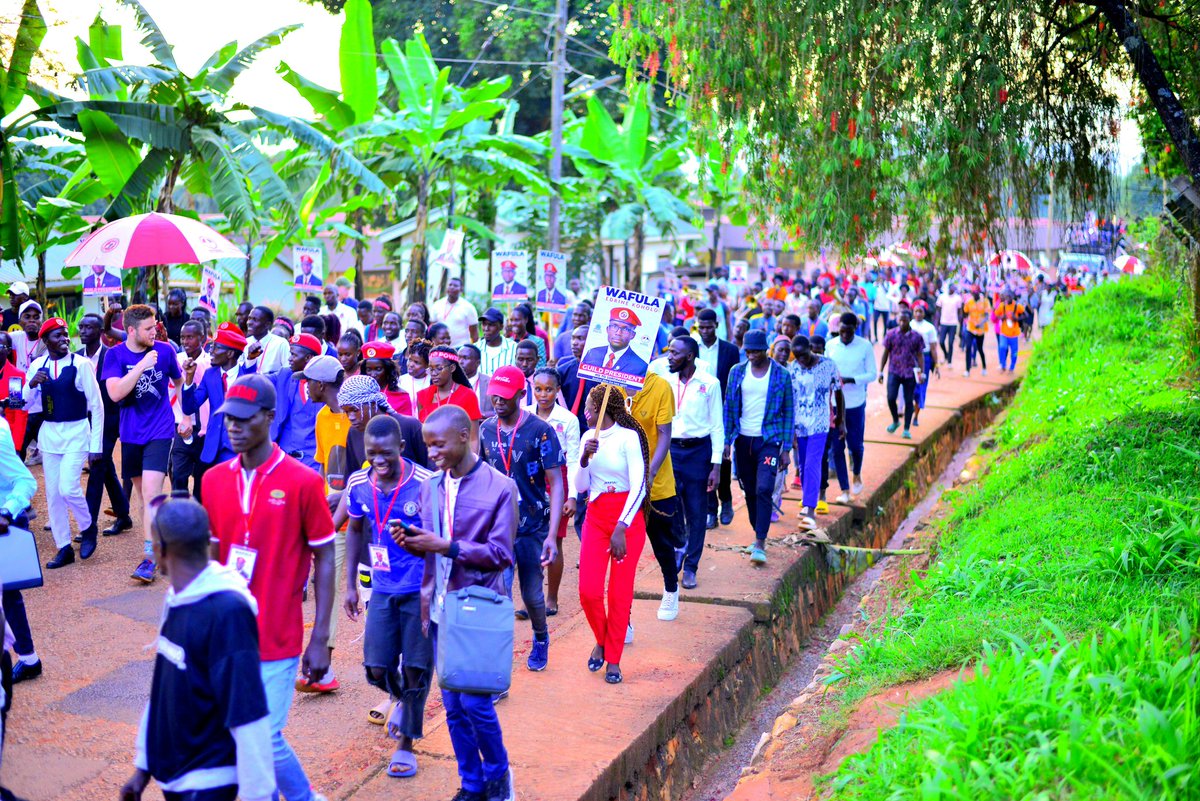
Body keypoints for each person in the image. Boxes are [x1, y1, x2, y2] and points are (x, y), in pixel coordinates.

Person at [203, 374, 336, 801]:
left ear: (270, 417)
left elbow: (325, 556)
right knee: (236, 734)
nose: (234, 427)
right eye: (229, 420)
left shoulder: (302, 481)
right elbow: (212, 558)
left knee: (264, 737)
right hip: (226, 637)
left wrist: (321, 639)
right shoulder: (213, 480)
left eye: (245, 419)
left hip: (277, 636)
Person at [119, 498, 275, 801]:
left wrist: (261, 794)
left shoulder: (227, 613)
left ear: (162, 550)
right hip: (175, 773)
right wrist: (142, 770)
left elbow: (247, 711)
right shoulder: (178, 596)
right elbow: (164, 688)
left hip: (208, 781)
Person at [399, 405, 516, 801]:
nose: (431, 453)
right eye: (427, 445)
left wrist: (445, 545)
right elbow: (432, 550)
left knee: (475, 702)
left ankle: (499, 776)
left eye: (439, 445)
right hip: (438, 610)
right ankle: (471, 784)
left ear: (465, 436)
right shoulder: (429, 485)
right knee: (452, 706)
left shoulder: (500, 488)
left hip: (478, 609)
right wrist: (415, 543)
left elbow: (501, 553)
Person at [343, 415, 434, 780]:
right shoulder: (359, 483)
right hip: (381, 587)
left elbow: (443, 535)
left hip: (420, 589)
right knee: (376, 667)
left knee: (416, 667)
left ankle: (406, 745)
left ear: (401, 447)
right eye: (371, 454)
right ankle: (399, 698)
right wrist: (349, 583)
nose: (378, 461)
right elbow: (354, 530)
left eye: (385, 453)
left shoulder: (427, 484)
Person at [479, 365, 562, 670]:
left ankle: (541, 637)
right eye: (494, 396)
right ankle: (497, 658)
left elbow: (556, 482)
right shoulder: (485, 429)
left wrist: (552, 536)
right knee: (497, 592)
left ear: (519, 395)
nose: (498, 402)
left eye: (504, 396)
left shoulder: (541, 431)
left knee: (530, 595)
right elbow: (481, 476)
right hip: (497, 529)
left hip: (531, 526)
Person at [102, 304, 183, 584]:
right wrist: (140, 365)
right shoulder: (114, 355)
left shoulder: (165, 350)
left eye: (155, 326)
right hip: (131, 433)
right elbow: (115, 393)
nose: (155, 331)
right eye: (149, 328)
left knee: (152, 494)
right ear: (131, 330)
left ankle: (150, 558)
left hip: (160, 430)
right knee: (142, 496)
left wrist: (183, 414)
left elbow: (179, 380)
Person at [575, 384, 649, 684]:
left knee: (619, 594)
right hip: (595, 517)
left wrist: (622, 526)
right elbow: (581, 486)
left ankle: (614, 660)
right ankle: (602, 639)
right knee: (588, 592)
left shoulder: (628, 438)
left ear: (601, 410)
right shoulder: (587, 437)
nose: (585, 412)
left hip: (627, 522)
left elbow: (640, 485)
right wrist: (583, 459)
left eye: (589, 407)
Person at [24, 317, 103, 567]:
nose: (65, 339)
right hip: (50, 436)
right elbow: (24, 403)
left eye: (66, 334)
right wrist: (31, 384)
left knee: (68, 488)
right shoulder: (38, 365)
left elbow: (97, 406)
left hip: (77, 434)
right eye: (58, 336)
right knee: (53, 495)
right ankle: (64, 546)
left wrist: (96, 446)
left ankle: (88, 527)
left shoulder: (81, 365)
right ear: (46, 341)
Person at [723, 329, 794, 565]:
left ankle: (760, 541)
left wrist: (785, 449)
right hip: (743, 439)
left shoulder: (781, 375)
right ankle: (757, 531)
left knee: (764, 487)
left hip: (769, 441)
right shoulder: (737, 372)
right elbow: (729, 408)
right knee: (750, 490)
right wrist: (726, 441)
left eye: (756, 351)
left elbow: (788, 413)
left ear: (766, 350)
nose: (751, 355)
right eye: (748, 351)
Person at [664, 336, 723, 590]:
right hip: (671, 450)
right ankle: (679, 545)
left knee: (697, 512)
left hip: (699, 451)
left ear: (689, 357)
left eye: (675, 353)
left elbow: (717, 426)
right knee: (670, 505)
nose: (669, 357)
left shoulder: (710, 383)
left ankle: (691, 567)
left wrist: (716, 466)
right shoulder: (665, 380)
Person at [523, 367, 579, 616]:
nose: (543, 395)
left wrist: (573, 495)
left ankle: (551, 597)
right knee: (529, 542)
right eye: (538, 389)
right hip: (530, 481)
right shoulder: (524, 414)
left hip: (558, 480)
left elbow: (575, 459)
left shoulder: (568, 420)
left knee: (553, 539)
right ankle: (530, 598)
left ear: (558, 391)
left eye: (548, 389)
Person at [75, 314, 132, 538]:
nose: (83, 331)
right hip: (85, 421)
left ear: (100, 331)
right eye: (81, 327)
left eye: (88, 327)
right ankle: (123, 514)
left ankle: (88, 525)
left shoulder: (112, 355)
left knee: (97, 466)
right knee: (105, 466)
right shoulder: (76, 358)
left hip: (109, 420)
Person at [0, 414, 41, 686]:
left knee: (9, 596)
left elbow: (27, 482)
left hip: (5, 522)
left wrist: (7, 510)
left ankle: (27, 658)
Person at [788, 335, 844, 530]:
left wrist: (840, 420)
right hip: (800, 424)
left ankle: (810, 511)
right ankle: (807, 501)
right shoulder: (793, 368)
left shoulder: (828, 365)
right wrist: (791, 430)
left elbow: (838, 392)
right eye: (797, 356)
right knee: (803, 465)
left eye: (803, 355)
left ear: (810, 349)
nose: (801, 360)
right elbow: (790, 400)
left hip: (820, 423)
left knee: (813, 463)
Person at [182, 324, 251, 473]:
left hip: (239, 448)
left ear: (230, 354)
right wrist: (189, 377)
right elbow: (189, 407)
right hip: (213, 448)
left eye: (216, 348)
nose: (211, 351)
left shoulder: (248, 377)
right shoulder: (210, 374)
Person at [695, 308, 740, 528]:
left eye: (708, 327)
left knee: (723, 458)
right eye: (700, 327)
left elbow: (734, 386)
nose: (704, 331)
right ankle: (711, 511)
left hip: (723, 410)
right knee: (705, 462)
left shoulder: (730, 350)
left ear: (716, 325)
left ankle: (727, 500)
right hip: (700, 410)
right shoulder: (692, 347)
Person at [826, 313, 876, 502]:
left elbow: (872, 374)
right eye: (842, 331)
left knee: (855, 445)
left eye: (849, 331)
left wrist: (851, 379)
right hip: (835, 404)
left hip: (855, 403)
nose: (845, 334)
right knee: (837, 448)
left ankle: (856, 472)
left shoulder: (865, 346)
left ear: (855, 328)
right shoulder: (831, 345)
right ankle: (845, 490)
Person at [338, 375, 431, 474]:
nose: (350, 417)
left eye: (355, 410)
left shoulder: (410, 426)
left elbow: (431, 470)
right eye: (346, 412)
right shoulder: (353, 432)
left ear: (373, 404)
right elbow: (352, 476)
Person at [268, 333, 324, 471]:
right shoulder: (285, 375)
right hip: (284, 457)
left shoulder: (326, 383)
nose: (289, 359)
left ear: (308, 358)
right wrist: (250, 362)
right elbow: (256, 381)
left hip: (314, 461)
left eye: (294, 355)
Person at [169, 321, 210, 500]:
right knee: (178, 474)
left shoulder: (211, 362)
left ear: (203, 338)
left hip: (205, 431)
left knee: (202, 479)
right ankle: (180, 515)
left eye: (190, 337)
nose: (185, 341)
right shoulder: (176, 360)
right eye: (183, 337)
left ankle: (199, 518)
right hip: (182, 427)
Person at [878, 307, 925, 439]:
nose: (902, 323)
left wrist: (922, 372)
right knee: (891, 397)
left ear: (910, 320)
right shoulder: (891, 334)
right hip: (894, 371)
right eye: (900, 320)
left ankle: (906, 429)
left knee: (908, 400)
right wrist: (881, 371)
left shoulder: (917, 337)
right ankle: (895, 420)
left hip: (910, 372)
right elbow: (885, 353)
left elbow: (920, 355)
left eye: (905, 320)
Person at [416, 345, 482, 424]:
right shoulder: (423, 395)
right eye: (431, 369)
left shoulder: (468, 395)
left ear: (452, 368)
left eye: (439, 368)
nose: (433, 373)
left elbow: (473, 435)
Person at [581, 307, 649, 377]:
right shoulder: (592, 353)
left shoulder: (640, 366)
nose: (618, 333)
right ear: (607, 329)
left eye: (625, 329)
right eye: (614, 326)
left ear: (632, 335)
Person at [360, 340, 413, 416]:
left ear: (388, 369)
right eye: (369, 369)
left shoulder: (401, 397)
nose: (373, 374)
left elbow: (405, 425)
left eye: (378, 369)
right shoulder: (359, 394)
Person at [909, 302, 940, 426]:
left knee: (920, 388)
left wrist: (936, 365)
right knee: (909, 386)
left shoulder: (929, 328)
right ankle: (908, 409)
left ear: (924, 313)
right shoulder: (909, 324)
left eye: (920, 311)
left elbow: (933, 348)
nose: (918, 314)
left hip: (924, 360)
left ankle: (916, 415)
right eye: (916, 311)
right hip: (910, 359)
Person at [430, 277, 479, 347]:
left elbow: (474, 332)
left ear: (461, 289)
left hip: (461, 347)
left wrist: (475, 348)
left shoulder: (468, 307)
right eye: (450, 285)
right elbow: (432, 328)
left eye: (455, 286)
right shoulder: (437, 305)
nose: (452, 287)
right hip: (440, 347)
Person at [240, 306, 290, 376]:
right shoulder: (243, 343)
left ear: (267, 324)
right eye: (249, 318)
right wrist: (250, 359)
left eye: (255, 320)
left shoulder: (281, 343)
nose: (249, 322)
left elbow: (288, 372)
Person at [475, 309, 517, 376]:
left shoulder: (514, 348)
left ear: (501, 327)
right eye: (484, 324)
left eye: (491, 325)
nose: (486, 328)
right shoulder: (475, 349)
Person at [458, 344, 494, 418]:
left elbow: (498, 411)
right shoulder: (450, 382)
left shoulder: (490, 383)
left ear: (478, 363)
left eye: (465, 358)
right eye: (458, 358)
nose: (460, 362)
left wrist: (481, 415)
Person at [962, 286, 991, 377]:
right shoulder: (969, 301)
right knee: (968, 347)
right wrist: (966, 320)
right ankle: (967, 370)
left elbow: (987, 316)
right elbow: (965, 311)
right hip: (970, 328)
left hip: (980, 329)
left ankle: (984, 367)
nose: (974, 294)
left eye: (976, 292)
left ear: (979, 292)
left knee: (979, 348)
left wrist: (981, 323)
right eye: (973, 292)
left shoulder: (985, 301)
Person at [994, 290, 1026, 373]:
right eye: (1006, 297)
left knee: (1014, 352)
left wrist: (1017, 318)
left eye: (1009, 297)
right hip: (1004, 332)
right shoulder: (1002, 306)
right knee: (1002, 347)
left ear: (1012, 297)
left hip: (1014, 334)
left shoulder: (1017, 306)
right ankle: (1003, 365)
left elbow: (1025, 314)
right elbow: (996, 314)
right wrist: (1002, 317)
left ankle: (1012, 367)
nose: (1007, 298)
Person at [398, 340, 432, 412]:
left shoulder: (432, 381)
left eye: (417, 362)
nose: (411, 365)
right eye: (410, 360)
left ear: (427, 365)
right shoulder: (401, 380)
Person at [935, 283, 963, 364]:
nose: (953, 289)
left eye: (954, 288)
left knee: (951, 342)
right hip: (943, 322)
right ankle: (946, 354)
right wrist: (937, 321)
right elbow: (938, 309)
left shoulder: (957, 298)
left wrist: (959, 321)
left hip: (953, 323)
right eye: (951, 288)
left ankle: (949, 361)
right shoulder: (942, 297)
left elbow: (960, 310)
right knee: (941, 341)